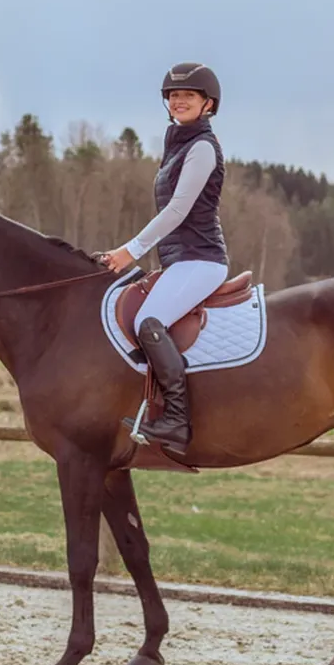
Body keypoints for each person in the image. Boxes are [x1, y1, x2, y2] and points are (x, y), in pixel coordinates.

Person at [102, 62, 229, 455]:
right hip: (180, 260)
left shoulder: (203, 148)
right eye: (174, 96)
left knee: (147, 320)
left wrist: (130, 251)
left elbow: (178, 211)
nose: (179, 101)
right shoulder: (177, 145)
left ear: (208, 104)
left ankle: (176, 418)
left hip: (202, 259)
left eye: (188, 96)